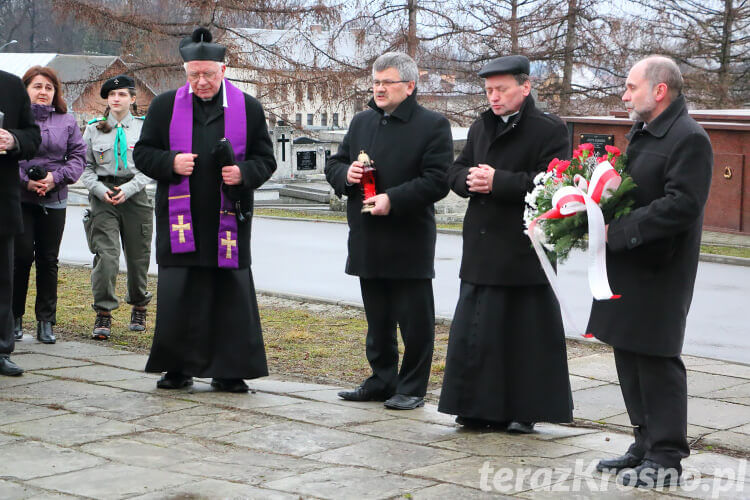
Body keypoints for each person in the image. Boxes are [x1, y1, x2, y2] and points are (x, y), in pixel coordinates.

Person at [588, 56, 712, 488]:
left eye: (630, 86)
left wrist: (619, 230)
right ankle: (643, 443)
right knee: (629, 353)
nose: (624, 94)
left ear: (659, 90)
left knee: (657, 361)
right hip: (629, 263)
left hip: (661, 268)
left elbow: (682, 205)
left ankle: (667, 456)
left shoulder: (688, 137)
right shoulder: (643, 132)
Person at [133, 27, 276, 393]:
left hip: (228, 218)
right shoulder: (165, 105)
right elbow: (143, 153)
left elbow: (266, 160)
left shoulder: (248, 107)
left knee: (228, 294)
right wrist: (170, 163)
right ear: (185, 72)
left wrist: (244, 173)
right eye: (193, 74)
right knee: (179, 293)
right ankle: (177, 368)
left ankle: (229, 370)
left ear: (223, 71)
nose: (201, 81)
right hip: (181, 218)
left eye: (208, 74)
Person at [438, 55, 573, 433]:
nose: (493, 97)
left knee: (523, 337)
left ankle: (524, 410)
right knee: (478, 335)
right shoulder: (482, 126)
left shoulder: (550, 129)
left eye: (500, 90)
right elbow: (455, 169)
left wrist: (500, 182)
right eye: (488, 91)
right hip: (482, 248)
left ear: (525, 87)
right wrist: (468, 180)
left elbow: (554, 185)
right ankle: (475, 407)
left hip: (523, 249)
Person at [325, 52, 452, 410]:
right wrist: (345, 176)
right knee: (377, 319)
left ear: (410, 86)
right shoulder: (363, 121)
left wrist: (392, 199)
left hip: (407, 238)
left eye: (387, 82)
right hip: (367, 235)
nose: (379, 89)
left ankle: (412, 387)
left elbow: (437, 181)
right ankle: (382, 379)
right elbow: (335, 163)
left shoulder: (433, 125)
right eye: (376, 82)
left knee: (415, 322)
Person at [13, 66, 85, 344]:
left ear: (55, 92)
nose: (43, 92)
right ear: (25, 89)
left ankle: (46, 321)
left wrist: (56, 178)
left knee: (48, 260)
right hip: (20, 198)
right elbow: (8, 156)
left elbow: (78, 156)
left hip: (55, 198)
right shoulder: (14, 120)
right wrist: (25, 182)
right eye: (37, 86)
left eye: (48, 88)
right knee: (19, 259)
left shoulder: (67, 120)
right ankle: (13, 318)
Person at [81, 75, 153, 340]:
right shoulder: (93, 129)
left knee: (137, 257)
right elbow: (86, 169)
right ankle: (103, 312)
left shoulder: (145, 128)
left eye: (122, 94)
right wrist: (101, 191)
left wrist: (129, 189)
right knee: (107, 256)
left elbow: (149, 167)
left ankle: (139, 304)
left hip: (135, 195)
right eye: (112, 95)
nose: (116, 99)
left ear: (132, 99)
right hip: (104, 197)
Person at [0, 69, 42, 376]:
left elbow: (33, 136)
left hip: (1, 201)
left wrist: (13, 139)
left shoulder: (11, 85)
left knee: (1, 281)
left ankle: (0, 349)